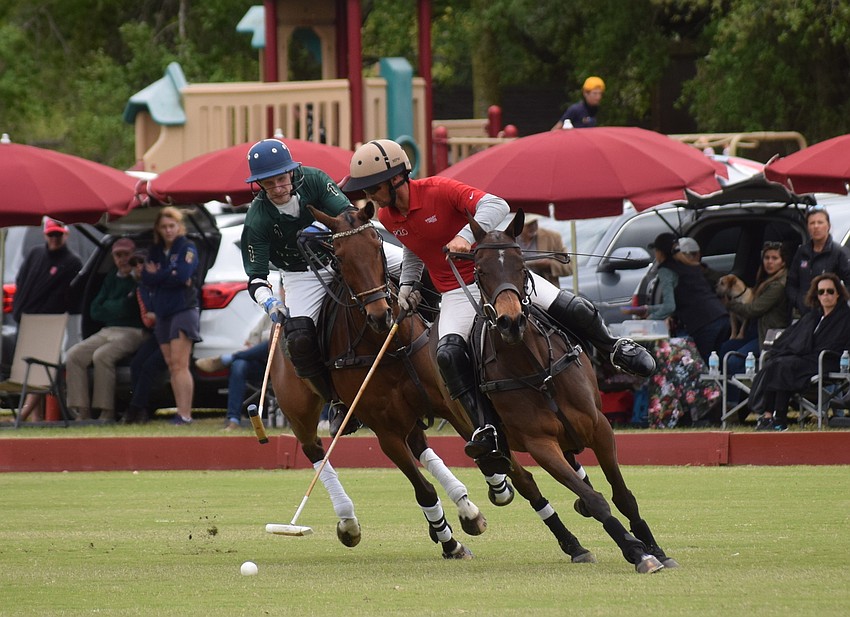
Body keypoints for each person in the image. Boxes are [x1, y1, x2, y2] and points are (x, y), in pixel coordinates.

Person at [342, 139, 655, 474]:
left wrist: (465, 234)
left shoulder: (439, 190)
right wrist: (406, 287)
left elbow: (497, 205)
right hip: (456, 293)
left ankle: (614, 348)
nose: (370, 196)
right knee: (447, 355)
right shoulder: (389, 217)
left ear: (396, 178)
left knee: (573, 307)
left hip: (498, 278)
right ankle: (485, 428)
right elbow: (414, 249)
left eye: (373, 187)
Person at [240, 138, 403, 438]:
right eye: (269, 183)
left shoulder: (314, 180)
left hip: (344, 254)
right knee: (300, 338)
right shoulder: (257, 219)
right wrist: (270, 304)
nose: (278, 187)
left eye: (281, 178)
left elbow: (348, 217)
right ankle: (338, 402)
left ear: (291, 173)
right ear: (259, 185)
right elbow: (256, 278)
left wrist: (320, 229)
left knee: (411, 267)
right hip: (300, 275)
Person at [749, 273, 850, 431]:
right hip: (804, 359)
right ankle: (767, 416)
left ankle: (779, 419)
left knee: (784, 365)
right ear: (816, 295)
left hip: (827, 361)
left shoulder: (845, 317)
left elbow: (836, 345)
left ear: (838, 293)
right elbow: (791, 337)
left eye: (830, 291)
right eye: (821, 291)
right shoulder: (813, 316)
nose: (826, 295)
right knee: (775, 362)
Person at [64, 238, 148, 422]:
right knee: (74, 355)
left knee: (102, 356)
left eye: (127, 255)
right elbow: (95, 309)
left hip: (133, 331)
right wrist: (117, 307)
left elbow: (129, 308)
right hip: (108, 329)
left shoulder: (140, 278)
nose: (123, 259)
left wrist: (110, 307)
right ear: (113, 257)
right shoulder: (111, 277)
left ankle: (106, 412)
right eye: (118, 255)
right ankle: (81, 412)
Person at [13, 217, 82, 422]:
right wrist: (18, 309)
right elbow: (20, 281)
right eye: (51, 234)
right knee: (26, 369)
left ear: (65, 234)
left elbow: (69, 298)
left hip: (49, 323)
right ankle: (35, 418)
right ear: (45, 234)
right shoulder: (35, 254)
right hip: (26, 320)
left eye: (58, 235)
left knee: (40, 370)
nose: (54, 239)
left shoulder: (72, 262)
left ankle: (22, 415)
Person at [141, 207, 200, 425]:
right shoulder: (155, 250)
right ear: (158, 228)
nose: (168, 230)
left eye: (171, 226)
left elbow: (183, 274)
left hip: (183, 310)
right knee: (170, 364)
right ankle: (180, 412)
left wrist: (160, 274)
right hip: (162, 313)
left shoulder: (188, 247)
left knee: (180, 363)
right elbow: (146, 277)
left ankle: (185, 414)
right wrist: (168, 274)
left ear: (179, 226)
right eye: (164, 227)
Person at [645, 233, 729, 363]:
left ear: (660, 252)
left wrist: (648, 321)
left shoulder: (666, 270)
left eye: (656, 250)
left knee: (706, 367)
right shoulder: (690, 265)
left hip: (703, 324)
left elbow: (669, 306)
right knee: (719, 366)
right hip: (721, 317)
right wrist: (648, 309)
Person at [720, 241, 790, 385]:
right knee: (726, 348)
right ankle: (725, 395)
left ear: (783, 262)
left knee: (733, 361)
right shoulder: (765, 280)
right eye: (767, 258)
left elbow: (754, 310)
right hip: (756, 331)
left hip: (769, 336)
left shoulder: (778, 285)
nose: (769, 262)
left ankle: (739, 401)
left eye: (774, 258)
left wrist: (730, 304)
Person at [195, 313, 271, 431]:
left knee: (272, 343)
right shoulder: (273, 311)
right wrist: (252, 346)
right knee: (238, 365)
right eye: (284, 292)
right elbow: (253, 338)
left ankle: (228, 358)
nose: (284, 294)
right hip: (261, 363)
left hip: (282, 368)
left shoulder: (296, 311)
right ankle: (233, 420)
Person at [786, 205, 850, 319]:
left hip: (830, 317)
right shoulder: (802, 252)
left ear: (828, 226)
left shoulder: (839, 253)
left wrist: (834, 304)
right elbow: (791, 282)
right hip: (804, 315)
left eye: (820, 222)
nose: (816, 226)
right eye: (812, 223)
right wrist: (799, 301)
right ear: (807, 227)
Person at [516, 213, 572, 286]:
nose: (533, 227)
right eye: (529, 224)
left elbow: (569, 267)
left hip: (546, 289)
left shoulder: (552, 237)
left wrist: (550, 265)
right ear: (519, 225)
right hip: (518, 289)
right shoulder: (509, 239)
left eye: (535, 222)